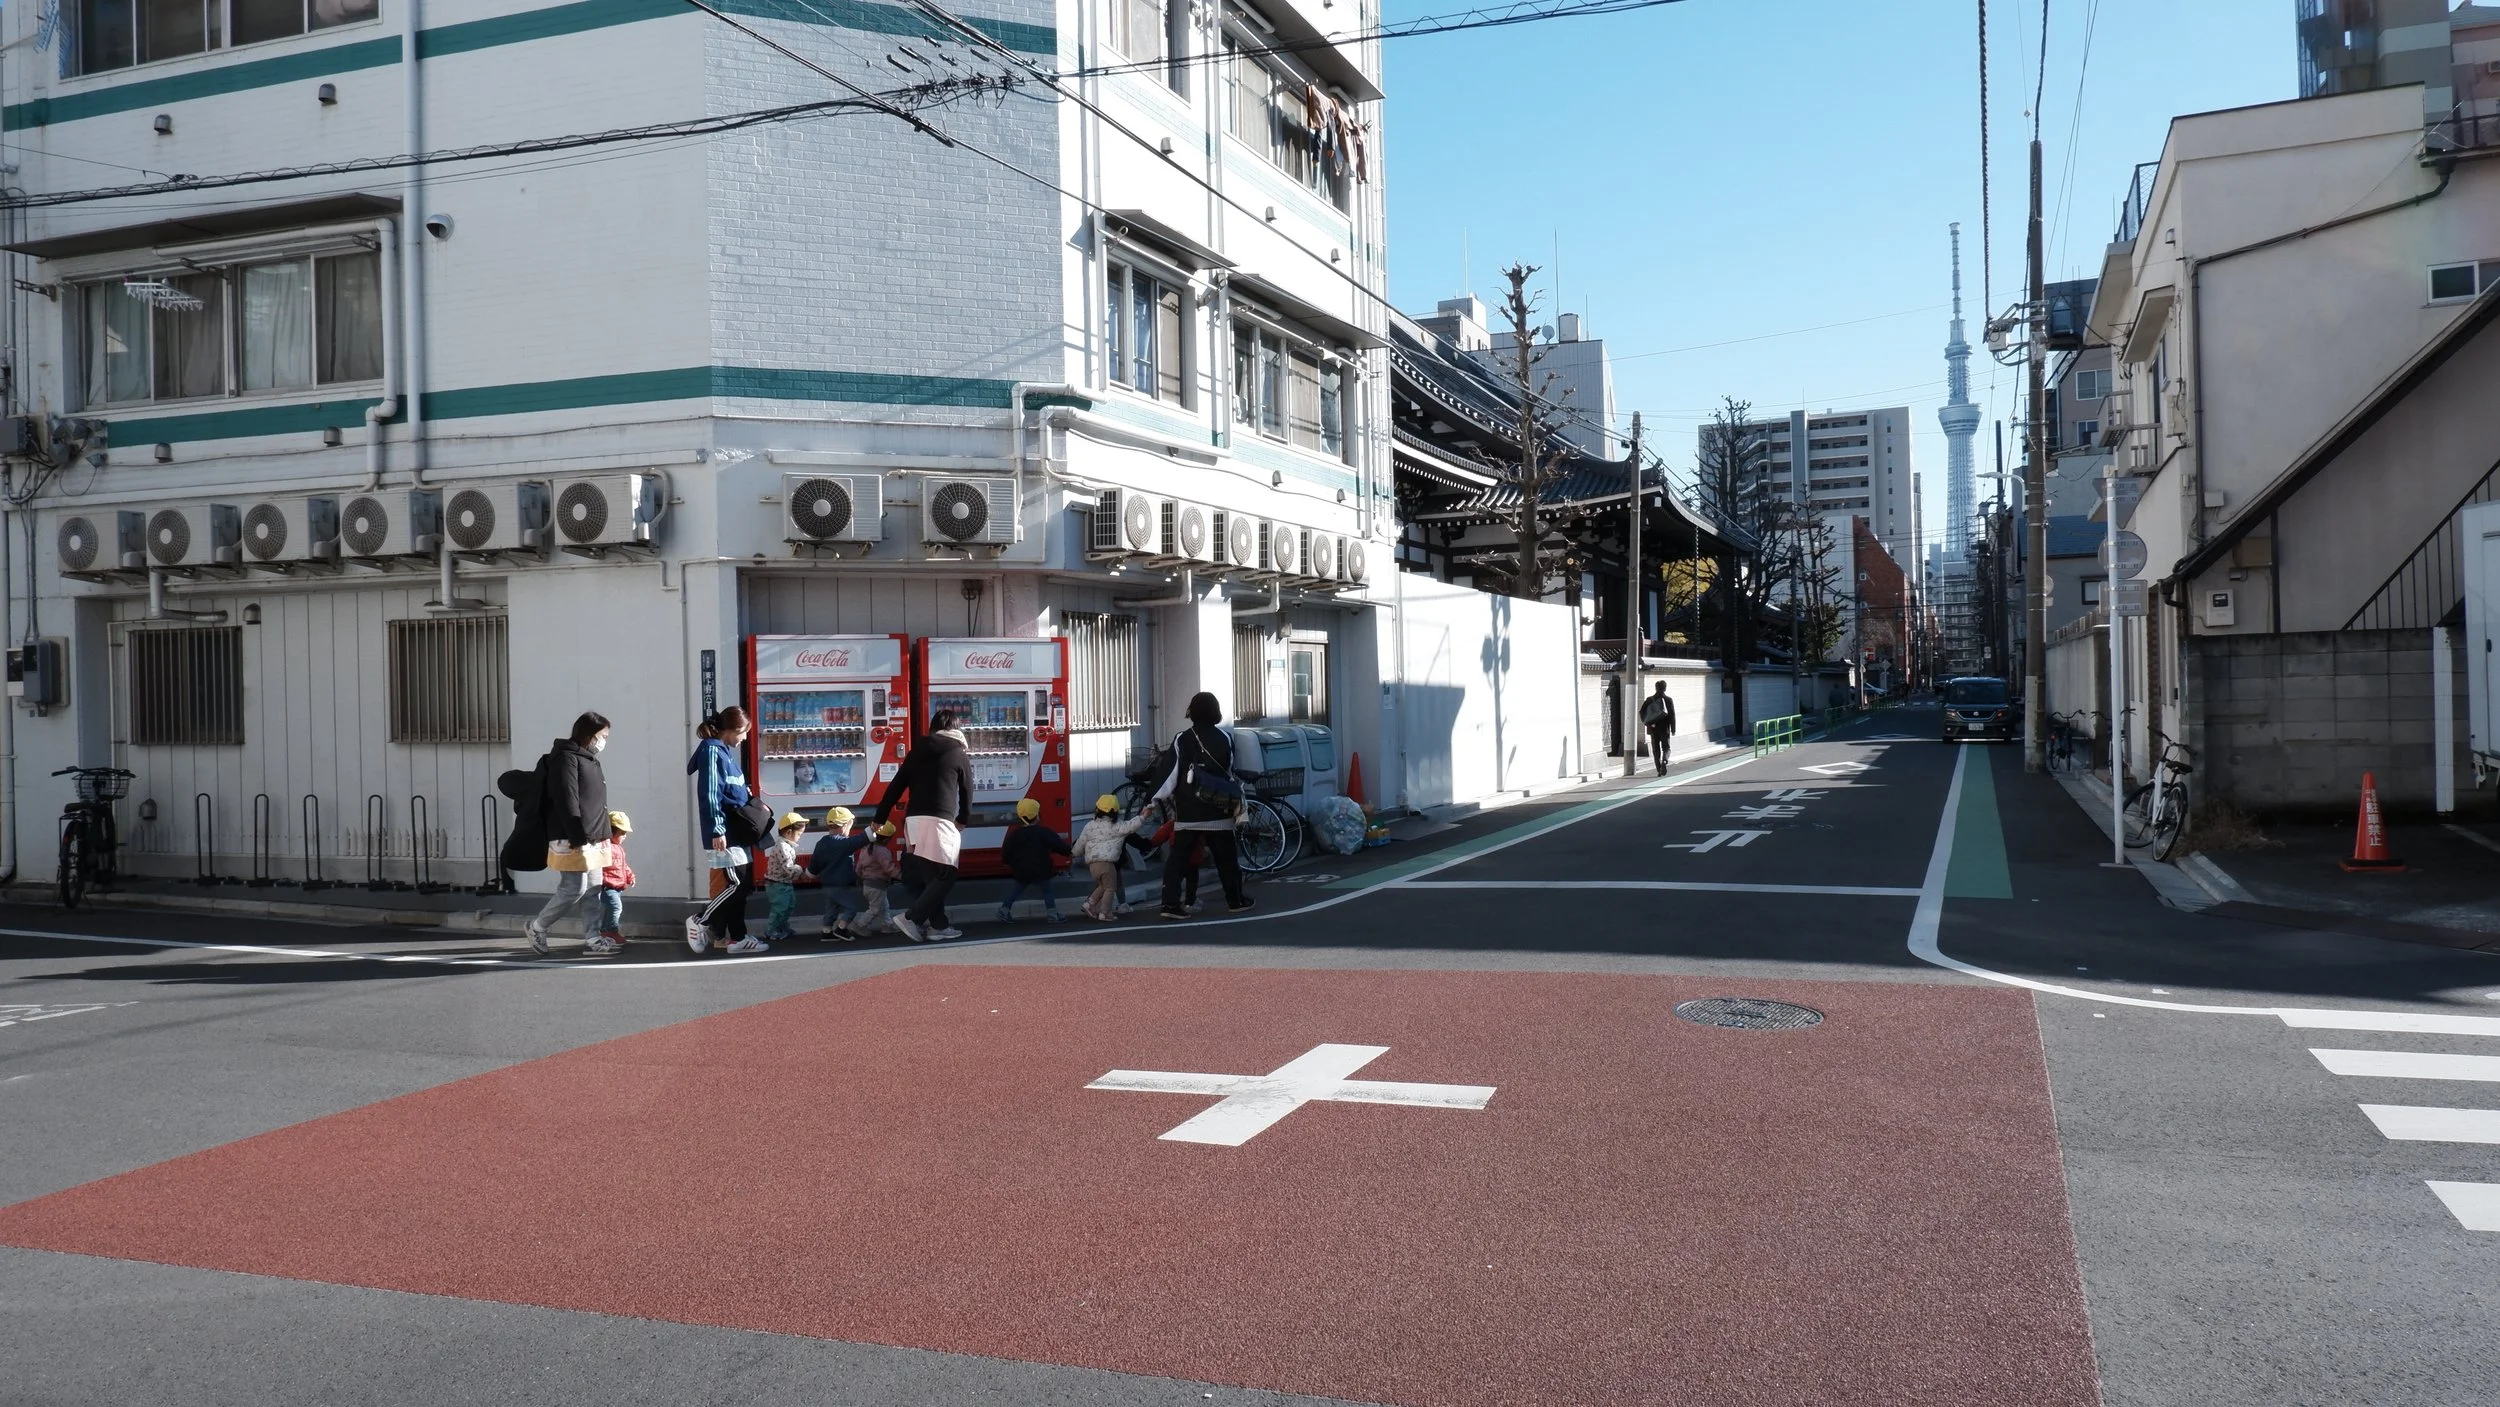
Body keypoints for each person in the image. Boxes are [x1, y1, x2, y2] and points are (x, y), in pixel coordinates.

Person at [1153, 692, 1251, 920]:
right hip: (1218, 809)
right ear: (1215, 711)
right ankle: (1235, 900)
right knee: (1226, 859)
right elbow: (1229, 772)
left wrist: (1152, 801)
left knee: (1178, 859)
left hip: (1188, 811)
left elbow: (1170, 773)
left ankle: (1170, 904)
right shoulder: (1225, 738)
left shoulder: (1182, 739)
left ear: (1192, 711)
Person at [525, 711, 615, 956]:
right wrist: (577, 835)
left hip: (593, 835)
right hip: (571, 835)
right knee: (574, 888)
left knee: (594, 887)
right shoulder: (566, 758)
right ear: (588, 734)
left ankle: (593, 937)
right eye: (602, 735)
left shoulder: (589, 758)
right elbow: (567, 798)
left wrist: (603, 831)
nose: (604, 741)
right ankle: (537, 927)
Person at [685, 707, 770, 956]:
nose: (743, 739)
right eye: (743, 733)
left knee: (740, 887)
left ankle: (738, 937)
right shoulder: (712, 751)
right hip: (726, 833)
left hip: (736, 833)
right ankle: (700, 921)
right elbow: (710, 794)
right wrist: (717, 829)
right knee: (736, 885)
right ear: (732, 730)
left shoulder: (722, 752)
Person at [1076, 794, 1155, 922]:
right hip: (1111, 863)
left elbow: (1080, 842)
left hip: (1093, 863)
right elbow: (1132, 828)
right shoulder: (1119, 826)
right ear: (1116, 812)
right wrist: (1144, 818)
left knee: (1103, 884)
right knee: (1111, 887)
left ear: (1097, 810)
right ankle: (1106, 911)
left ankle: (1090, 903)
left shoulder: (1090, 826)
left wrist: (1072, 853)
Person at [998, 797, 1072, 924]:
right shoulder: (1043, 832)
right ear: (1037, 815)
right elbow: (1058, 845)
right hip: (1041, 869)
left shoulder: (1015, 834)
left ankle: (1004, 909)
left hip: (1021, 870)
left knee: (1018, 889)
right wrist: (1069, 851)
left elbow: (1006, 852)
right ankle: (1052, 913)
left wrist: (1010, 863)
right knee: (1047, 890)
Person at [808, 806, 873, 939]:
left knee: (831, 910)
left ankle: (826, 932)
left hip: (826, 885)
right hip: (841, 885)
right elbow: (863, 838)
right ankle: (841, 929)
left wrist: (809, 874)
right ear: (844, 825)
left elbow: (813, 868)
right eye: (851, 824)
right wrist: (875, 827)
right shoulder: (844, 844)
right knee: (851, 908)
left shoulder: (821, 843)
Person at [587, 810, 634, 956]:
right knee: (615, 907)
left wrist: (629, 875)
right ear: (611, 832)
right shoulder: (605, 846)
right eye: (622, 834)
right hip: (608, 885)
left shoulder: (618, 848)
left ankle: (607, 931)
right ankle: (610, 931)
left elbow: (623, 865)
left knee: (612, 908)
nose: (624, 837)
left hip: (617, 886)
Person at [760, 812, 809, 943]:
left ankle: (782, 927)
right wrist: (801, 870)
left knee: (789, 906)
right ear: (788, 832)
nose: (799, 837)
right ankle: (771, 930)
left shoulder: (787, 845)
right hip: (776, 884)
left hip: (784, 883)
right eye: (798, 834)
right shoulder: (782, 846)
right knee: (779, 908)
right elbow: (788, 868)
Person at [853, 822, 902, 937]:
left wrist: (858, 876)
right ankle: (860, 925)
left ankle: (887, 925)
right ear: (887, 839)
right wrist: (901, 875)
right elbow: (889, 869)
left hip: (868, 885)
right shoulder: (883, 851)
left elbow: (859, 866)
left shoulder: (866, 849)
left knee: (884, 906)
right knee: (875, 909)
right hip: (877, 885)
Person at [1639, 681, 1677, 777]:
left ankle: (1659, 769)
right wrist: (1673, 729)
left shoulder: (1649, 700)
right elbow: (1672, 715)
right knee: (1666, 747)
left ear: (1656, 688)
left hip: (1653, 728)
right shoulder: (1668, 700)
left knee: (1656, 750)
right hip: (1665, 728)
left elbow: (1641, 712)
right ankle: (1665, 760)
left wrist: (1647, 723)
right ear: (1665, 688)